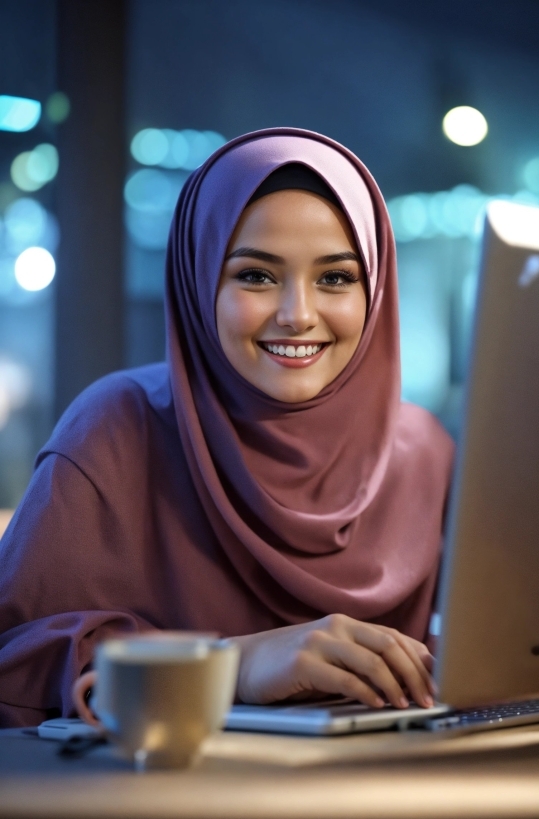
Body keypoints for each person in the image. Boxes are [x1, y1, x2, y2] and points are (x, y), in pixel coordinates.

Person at [0, 128, 453, 728]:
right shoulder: (118, 430)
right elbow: (13, 658)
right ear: (199, 280)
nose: (298, 315)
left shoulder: (427, 453)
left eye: (337, 278)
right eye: (256, 276)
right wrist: (230, 665)